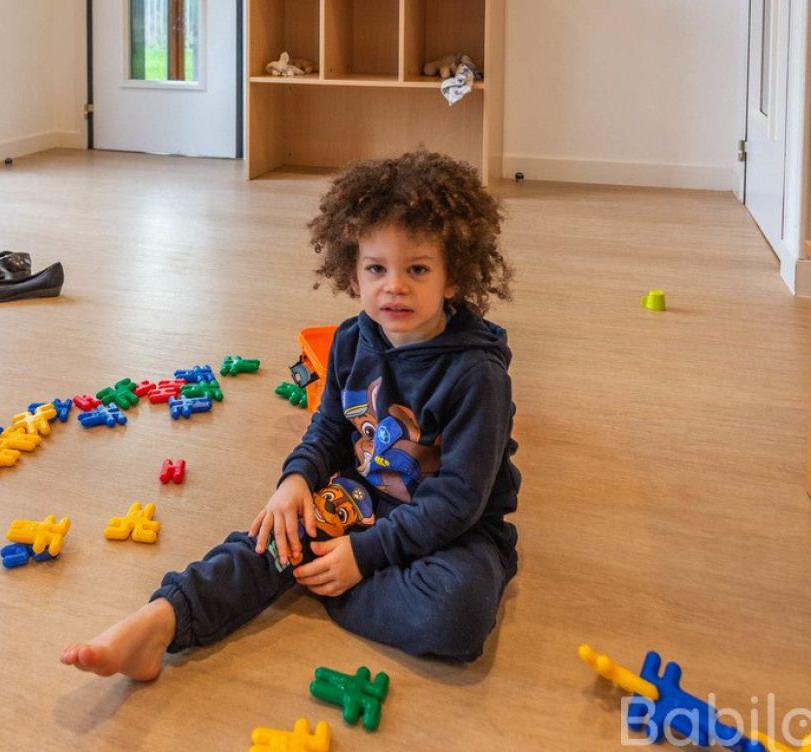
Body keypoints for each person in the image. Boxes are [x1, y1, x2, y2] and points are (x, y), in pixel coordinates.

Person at [60, 149, 520, 680]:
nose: (394, 285)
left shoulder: (477, 375)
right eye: (376, 268)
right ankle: (160, 621)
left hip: (453, 530)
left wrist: (362, 556)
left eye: (417, 269)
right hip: (360, 496)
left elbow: (460, 501)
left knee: (457, 616)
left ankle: (314, 573)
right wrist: (296, 479)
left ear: (454, 278)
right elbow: (327, 428)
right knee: (270, 533)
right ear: (352, 274)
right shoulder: (352, 339)